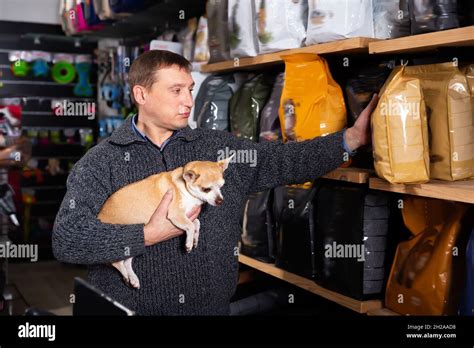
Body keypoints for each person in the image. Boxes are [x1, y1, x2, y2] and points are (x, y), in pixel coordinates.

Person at [52, 50, 378, 315]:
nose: (188, 101)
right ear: (141, 94)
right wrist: (145, 235)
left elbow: (283, 160)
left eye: (190, 89)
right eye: (175, 90)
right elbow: (67, 239)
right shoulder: (101, 162)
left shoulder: (217, 149)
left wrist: (349, 139)